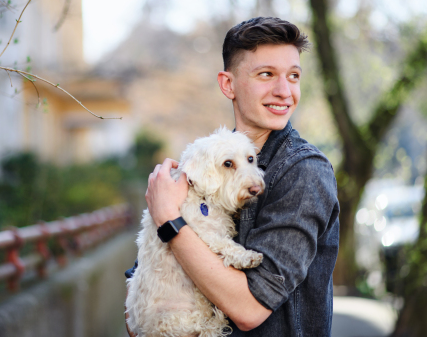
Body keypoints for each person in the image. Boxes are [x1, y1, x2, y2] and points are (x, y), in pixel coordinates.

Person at [126, 17, 340, 336]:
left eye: (293, 76)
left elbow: (249, 308)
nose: (284, 91)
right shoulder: (203, 164)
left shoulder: (304, 171)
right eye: (266, 74)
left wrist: (169, 219)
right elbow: (138, 307)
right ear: (228, 85)